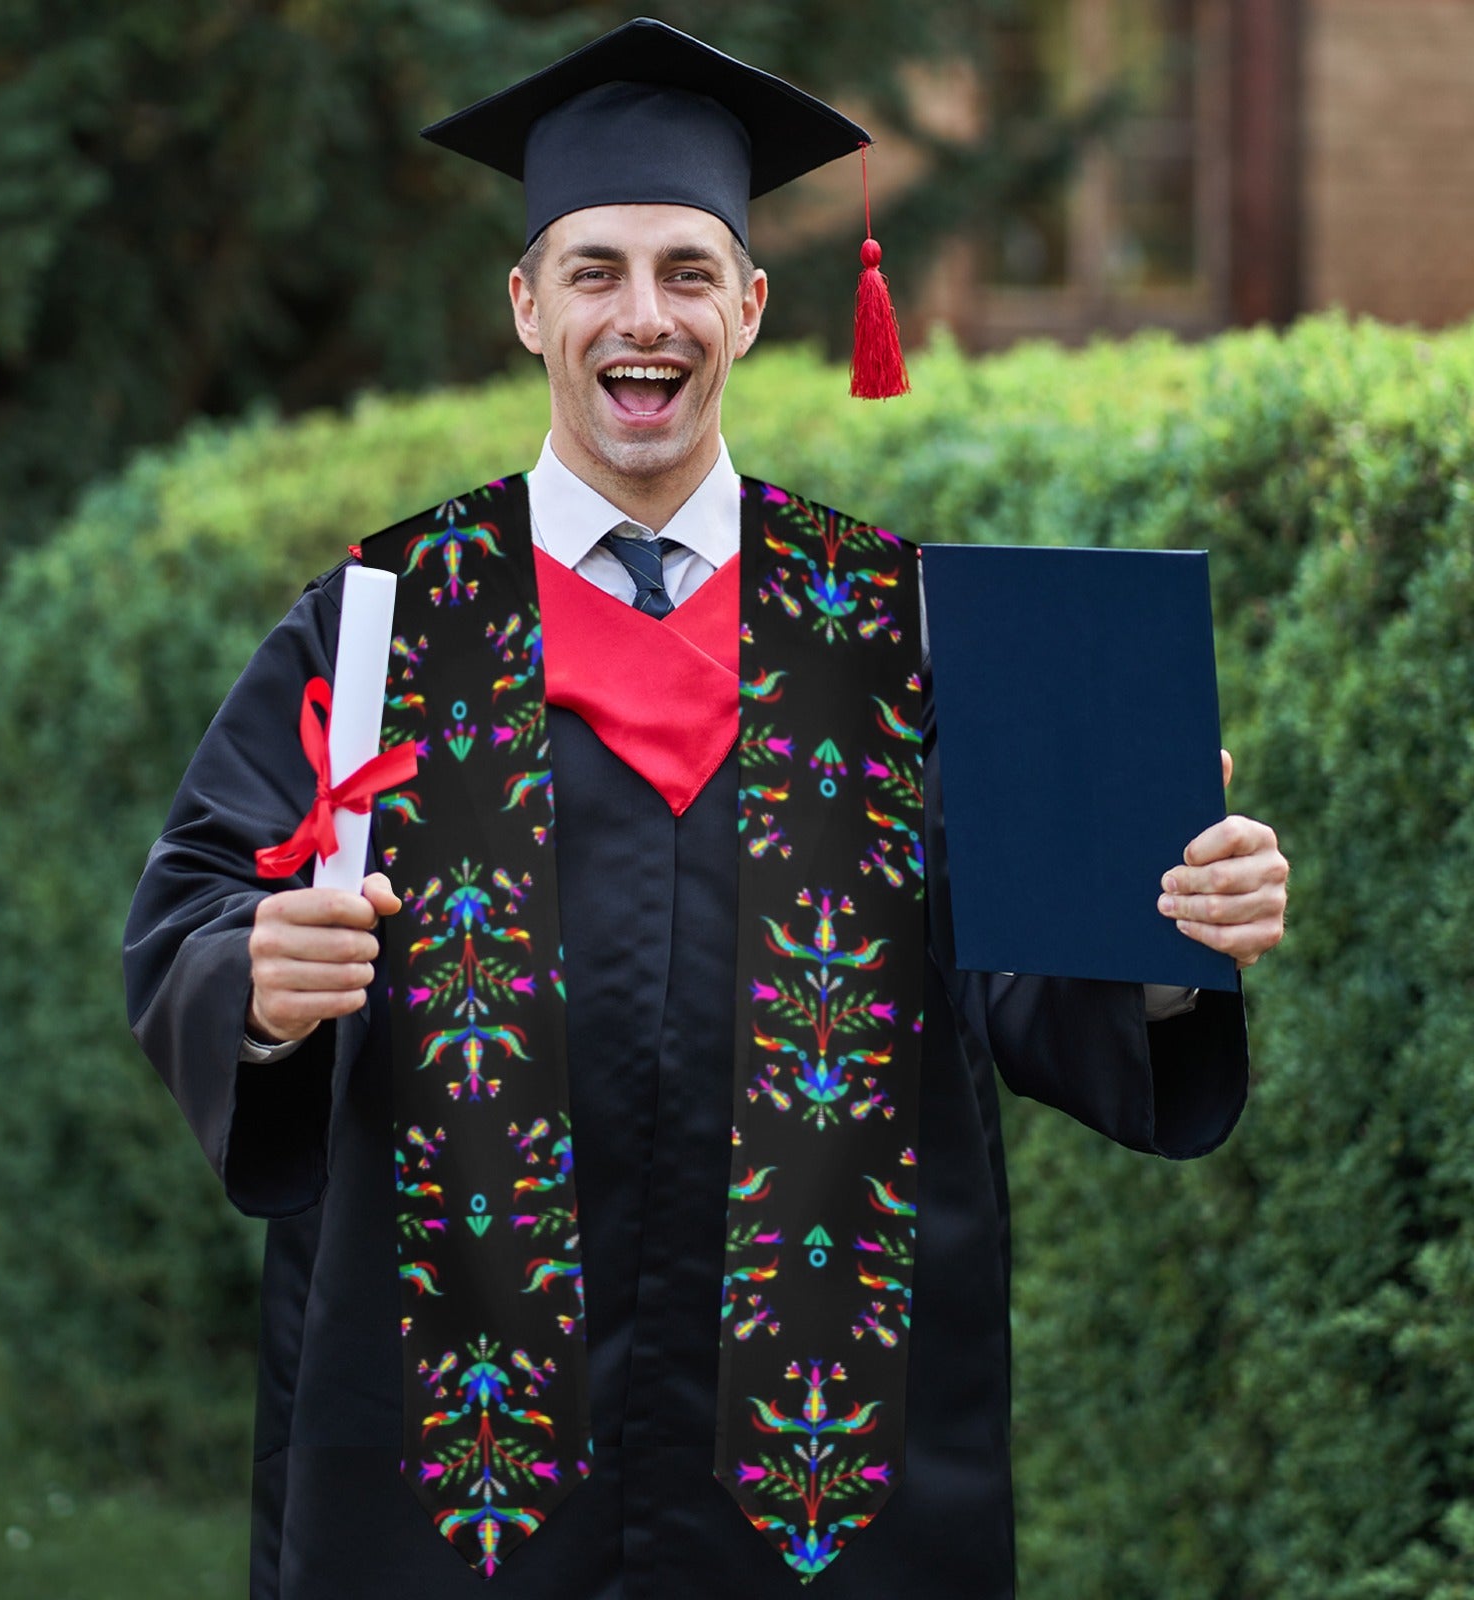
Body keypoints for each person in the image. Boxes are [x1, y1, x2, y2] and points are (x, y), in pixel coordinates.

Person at [123, 19, 1288, 1600]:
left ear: (751, 304)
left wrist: (1167, 934)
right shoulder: (394, 620)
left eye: (686, 270)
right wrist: (253, 984)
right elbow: (197, 900)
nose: (642, 316)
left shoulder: (898, 626)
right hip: (459, 1440)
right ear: (528, 305)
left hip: (825, 1446)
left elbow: (1025, 974)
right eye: (595, 270)